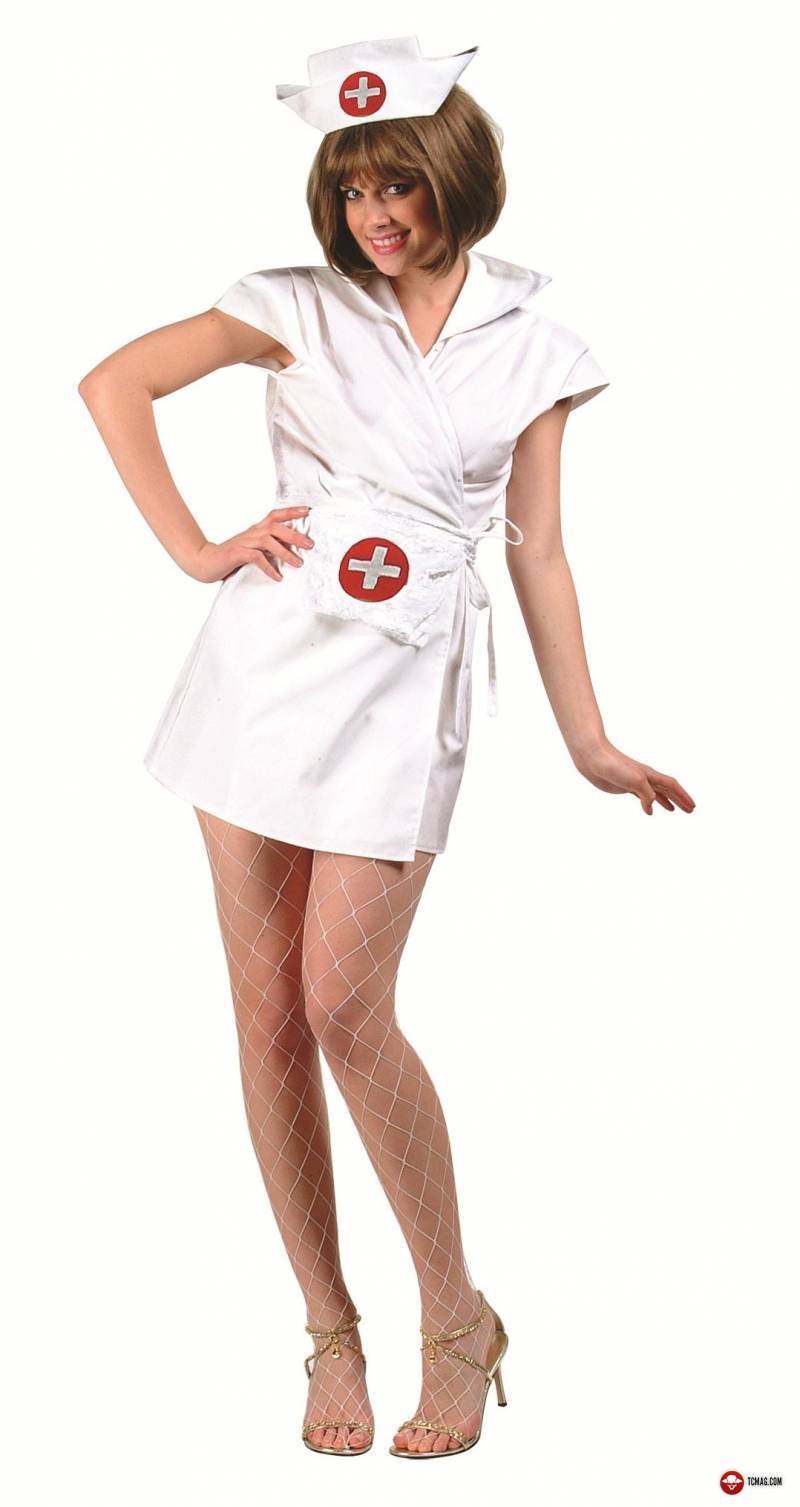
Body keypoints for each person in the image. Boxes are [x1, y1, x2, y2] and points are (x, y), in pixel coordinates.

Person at [77, 34, 695, 1461]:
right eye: (353, 188)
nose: (376, 215)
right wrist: (197, 549)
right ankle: (328, 1331)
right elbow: (113, 383)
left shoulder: (535, 340)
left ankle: (456, 1318)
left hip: (405, 689)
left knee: (346, 1006)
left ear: (454, 176)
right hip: (258, 678)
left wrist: (589, 738)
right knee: (268, 1021)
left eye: (400, 184)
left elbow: (538, 552)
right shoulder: (292, 303)